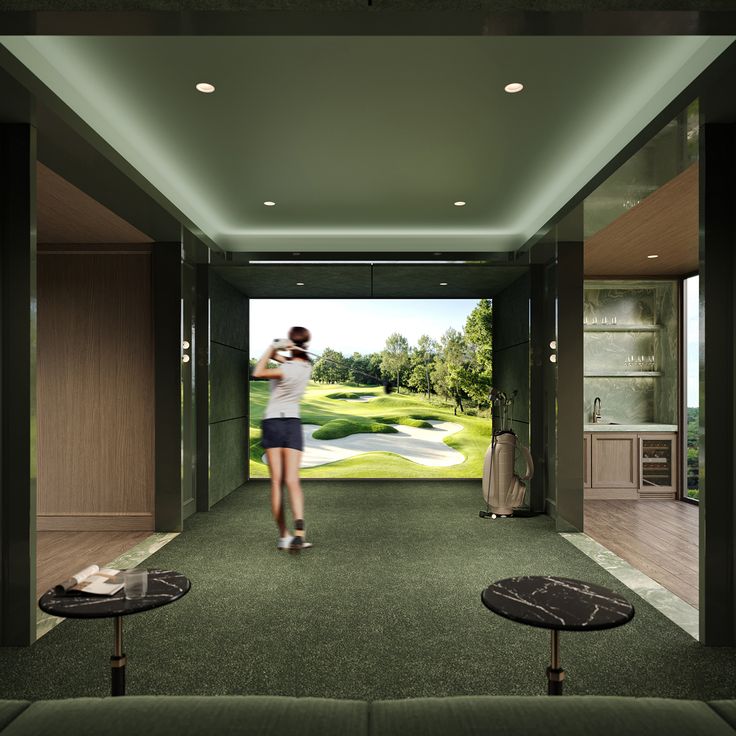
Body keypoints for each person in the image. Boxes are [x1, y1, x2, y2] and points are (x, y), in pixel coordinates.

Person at [252, 326, 313, 551]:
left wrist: (272, 346)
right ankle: (300, 532)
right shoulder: (306, 367)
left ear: (292, 343)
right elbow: (285, 360)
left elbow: (257, 371)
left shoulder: (285, 369)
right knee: (293, 480)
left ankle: (283, 536)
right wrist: (284, 349)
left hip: (274, 422)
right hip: (293, 424)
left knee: (277, 482)